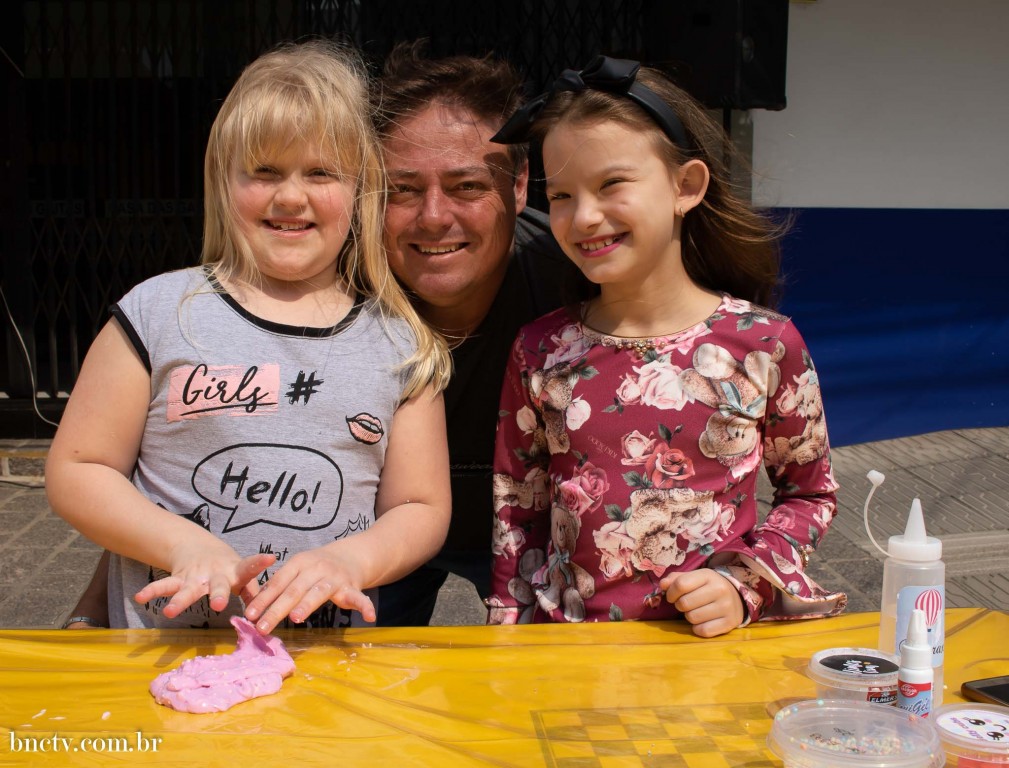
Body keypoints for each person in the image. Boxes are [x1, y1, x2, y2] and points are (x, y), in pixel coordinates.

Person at [46, 39, 453, 633]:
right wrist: (181, 543)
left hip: (323, 669)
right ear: (223, 180)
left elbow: (420, 507)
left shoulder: (401, 345)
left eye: (320, 172)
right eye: (264, 172)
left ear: (363, 189)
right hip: (161, 663)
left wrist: (352, 560)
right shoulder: (157, 315)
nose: (290, 196)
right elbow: (80, 468)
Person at [487, 56, 847, 636]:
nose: (584, 216)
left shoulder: (764, 344)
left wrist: (744, 585)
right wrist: (507, 641)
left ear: (686, 187)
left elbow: (810, 495)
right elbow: (516, 516)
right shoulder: (540, 350)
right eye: (561, 195)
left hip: (706, 653)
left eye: (611, 185)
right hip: (568, 653)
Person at [371, 42, 583, 626]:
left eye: (466, 186)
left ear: (520, 185)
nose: (433, 216)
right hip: (376, 531)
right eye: (402, 189)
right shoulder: (334, 293)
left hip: (532, 533)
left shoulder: (581, 287)